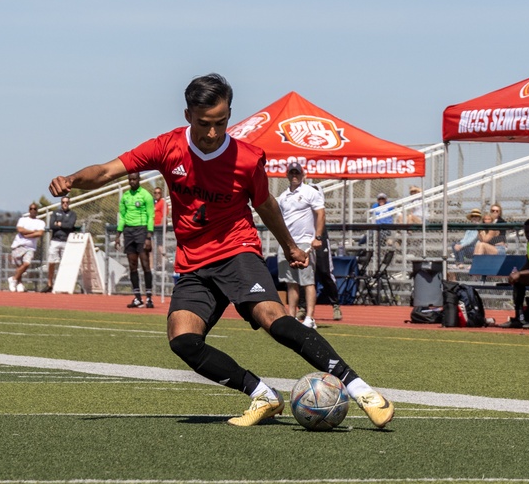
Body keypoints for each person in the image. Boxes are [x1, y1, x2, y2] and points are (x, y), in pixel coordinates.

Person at [48, 73, 393, 429]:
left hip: (237, 250)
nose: (212, 133)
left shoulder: (245, 158)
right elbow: (106, 171)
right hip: (194, 262)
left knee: (272, 316)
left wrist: (290, 245)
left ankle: (360, 388)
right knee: (182, 339)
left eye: (221, 123)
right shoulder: (166, 147)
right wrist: (72, 179)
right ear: (187, 115)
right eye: (204, 124)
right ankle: (262, 394)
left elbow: (265, 205)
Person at [276, 162, 323, 328]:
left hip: (304, 242)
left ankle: (310, 318)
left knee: (307, 280)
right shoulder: (283, 196)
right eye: (291, 172)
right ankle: (292, 316)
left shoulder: (310, 192)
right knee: (291, 281)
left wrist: (317, 237)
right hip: (288, 243)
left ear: (303, 174)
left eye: (297, 172)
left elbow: (320, 212)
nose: (294, 175)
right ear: (287, 175)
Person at [116, 172, 155, 308]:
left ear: (139, 179)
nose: (132, 181)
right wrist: (118, 235)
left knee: (145, 264)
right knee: (132, 266)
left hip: (142, 230)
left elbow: (151, 216)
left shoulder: (145, 195)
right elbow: (122, 216)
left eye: (134, 179)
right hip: (128, 232)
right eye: (130, 179)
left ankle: (149, 297)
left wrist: (149, 236)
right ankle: (137, 298)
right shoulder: (125, 196)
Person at [9, 203, 45, 292]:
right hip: (18, 245)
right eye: (31, 209)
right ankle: (19, 284)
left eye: (35, 209)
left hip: (30, 247)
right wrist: (33, 232)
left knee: (26, 264)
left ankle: (13, 279)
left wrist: (27, 234)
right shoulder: (22, 220)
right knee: (19, 266)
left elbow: (40, 233)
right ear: (29, 210)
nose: (33, 210)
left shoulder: (40, 222)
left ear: (37, 210)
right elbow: (20, 230)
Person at [43, 196, 76, 292]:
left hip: (66, 241)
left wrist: (60, 224)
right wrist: (61, 225)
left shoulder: (72, 214)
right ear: (61, 203)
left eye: (66, 202)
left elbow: (70, 225)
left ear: (69, 203)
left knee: (65, 264)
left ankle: (64, 284)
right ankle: (49, 283)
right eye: (63, 202)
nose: (65, 204)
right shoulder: (55, 213)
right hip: (55, 240)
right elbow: (52, 225)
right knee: (51, 262)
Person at [152, 186, 168, 266]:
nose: (157, 194)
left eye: (159, 192)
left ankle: (164, 262)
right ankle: (158, 263)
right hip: (153, 228)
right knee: (154, 247)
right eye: (155, 192)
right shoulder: (154, 203)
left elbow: (164, 216)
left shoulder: (163, 202)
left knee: (160, 246)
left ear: (161, 194)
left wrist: (160, 227)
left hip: (159, 228)